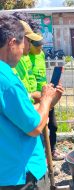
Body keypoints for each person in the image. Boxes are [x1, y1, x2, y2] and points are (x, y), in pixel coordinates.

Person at [0, 14, 63, 189]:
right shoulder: (7, 80)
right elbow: (34, 127)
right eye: (23, 44)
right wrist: (46, 100)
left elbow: (16, 113)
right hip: (19, 174)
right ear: (12, 43)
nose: (23, 51)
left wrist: (46, 104)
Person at [29, 39, 64, 161]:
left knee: (53, 125)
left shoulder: (41, 54)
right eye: (37, 44)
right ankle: (41, 156)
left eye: (41, 43)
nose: (41, 46)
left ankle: (52, 150)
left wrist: (52, 84)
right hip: (35, 100)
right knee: (38, 127)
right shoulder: (25, 57)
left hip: (46, 95)